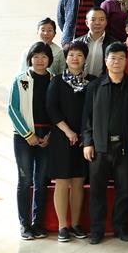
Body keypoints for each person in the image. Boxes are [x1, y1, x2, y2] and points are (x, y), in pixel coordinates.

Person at [81, 42, 128, 245]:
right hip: (99, 148)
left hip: (125, 147)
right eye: (113, 58)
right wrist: (87, 142)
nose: (116, 62)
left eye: (121, 58)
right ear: (106, 61)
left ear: (126, 61)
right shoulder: (94, 86)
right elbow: (87, 117)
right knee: (97, 191)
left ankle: (120, 227)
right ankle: (97, 230)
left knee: (124, 190)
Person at [46, 41, 94, 242]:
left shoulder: (92, 82)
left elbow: (93, 110)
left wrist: (84, 135)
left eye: (79, 55)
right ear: (65, 59)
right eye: (71, 55)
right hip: (61, 137)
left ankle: (75, 224)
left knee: (78, 181)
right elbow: (51, 108)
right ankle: (62, 227)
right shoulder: (57, 81)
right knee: (62, 181)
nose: (75, 58)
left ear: (85, 59)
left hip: (83, 139)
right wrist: (68, 131)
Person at [8, 42, 54, 240]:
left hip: (47, 136)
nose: (40, 60)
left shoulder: (54, 80)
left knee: (41, 181)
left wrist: (49, 135)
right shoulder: (20, 80)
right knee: (25, 181)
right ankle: (24, 224)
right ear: (30, 59)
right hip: (23, 137)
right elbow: (12, 109)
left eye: (44, 56)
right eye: (36, 56)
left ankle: (37, 223)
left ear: (49, 60)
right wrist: (28, 135)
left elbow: (57, 110)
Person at [73, 7, 117, 78]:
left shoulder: (114, 44)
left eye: (101, 19)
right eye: (93, 20)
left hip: (102, 83)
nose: (97, 23)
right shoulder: (76, 43)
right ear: (87, 23)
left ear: (106, 22)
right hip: (80, 82)